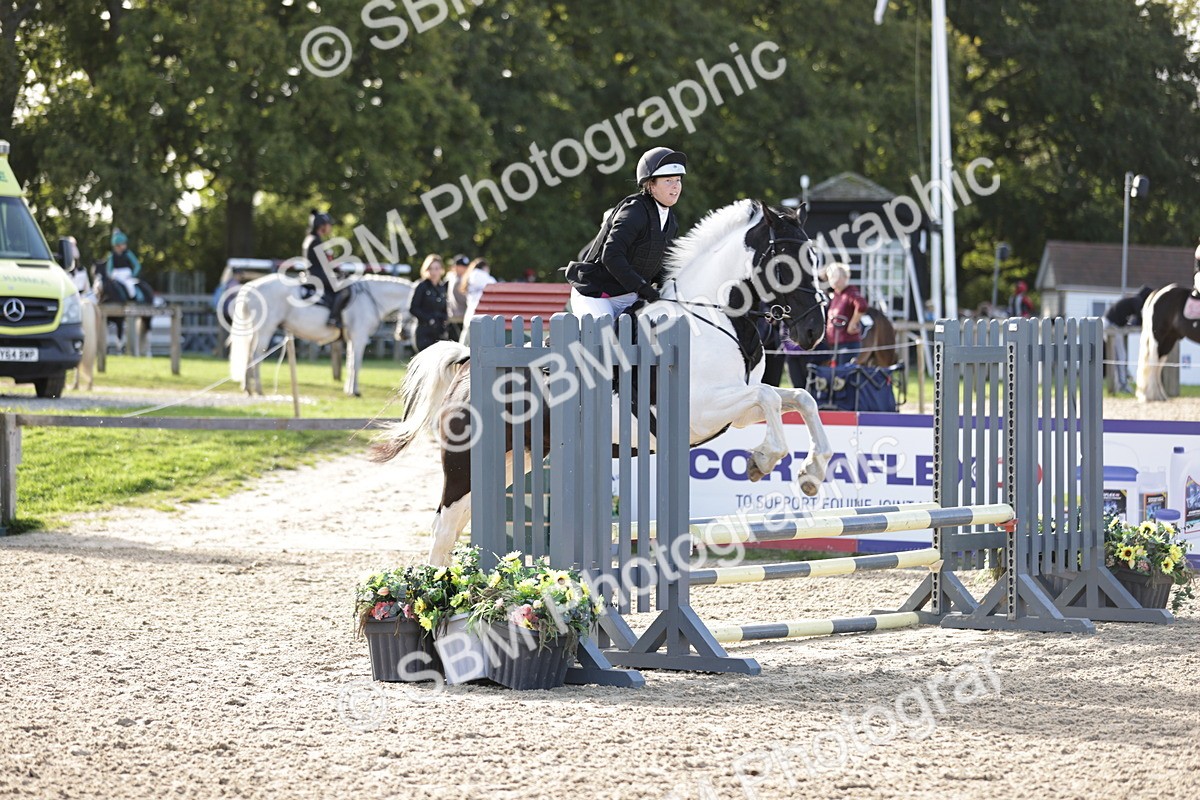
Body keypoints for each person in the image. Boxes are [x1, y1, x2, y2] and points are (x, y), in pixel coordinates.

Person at [566, 146, 684, 318]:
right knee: (603, 337)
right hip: (597, 294)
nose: (676, 186)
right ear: (650, 184)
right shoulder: (634, 211)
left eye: (678, 180)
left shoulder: (670, 221)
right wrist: (642, 287)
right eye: (668, 180)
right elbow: (611, 256)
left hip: (629, 297)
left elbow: (659, 265)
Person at [303, 209, 348, 328]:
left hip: (313, 274)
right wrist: (340, 272)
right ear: (321, 226)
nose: (330, 227)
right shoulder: (315, 241)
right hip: (317, 275)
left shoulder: (311, 239)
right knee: (344, 289)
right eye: (329, 225)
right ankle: (333, 318)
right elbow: (326, 263)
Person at [1103, 285, 1153, 393]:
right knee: (1120, 357)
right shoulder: (1137, 301)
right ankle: (1122, 385)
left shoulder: (1133, 300)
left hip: (1109, 323)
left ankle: (1119, 384)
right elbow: (1140, 318)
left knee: (1116, 357)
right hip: (1112, 326)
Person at [824, 262, 868, 366]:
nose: (834, 279)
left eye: (837, 276)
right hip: (834, 344)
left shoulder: (850, 293)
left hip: (848, 343)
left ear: (845, 277)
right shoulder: (835, 295)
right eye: (831, 276)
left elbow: (862, 305)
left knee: (845, 375)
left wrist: (853, 323)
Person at [408, 254, 448, 352]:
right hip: (424, 331)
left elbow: (444, 309)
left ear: (441, 270)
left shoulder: (442, 288)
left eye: (436, 268)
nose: (434, 272)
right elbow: (413, 308)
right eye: (431, 269)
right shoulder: (421, 286)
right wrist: (429, 319)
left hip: (438, 332)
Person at [104, 228, 144, 302]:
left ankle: (135, 299)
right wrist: (110, 276)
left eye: (123, 244)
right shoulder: (111, 255)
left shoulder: (128, 254)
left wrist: (133, 274)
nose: (122, 246)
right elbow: (109, 268)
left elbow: (137, 265)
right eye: (119, 245)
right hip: (116, 275)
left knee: (130, 286)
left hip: (126, 275)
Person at [461, 256, 496, 331]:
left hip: (469, 317)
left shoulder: (469, 277)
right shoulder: (485, 279)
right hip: (481, 318)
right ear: (485, 268)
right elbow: (495, 286)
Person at [444, 254, 471, 341]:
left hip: (455, 318)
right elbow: (464, 300)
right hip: (459, 318)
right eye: (462, 266)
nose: (465, 269)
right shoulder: (458, 281)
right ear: (456, 267)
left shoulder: (452, 278)